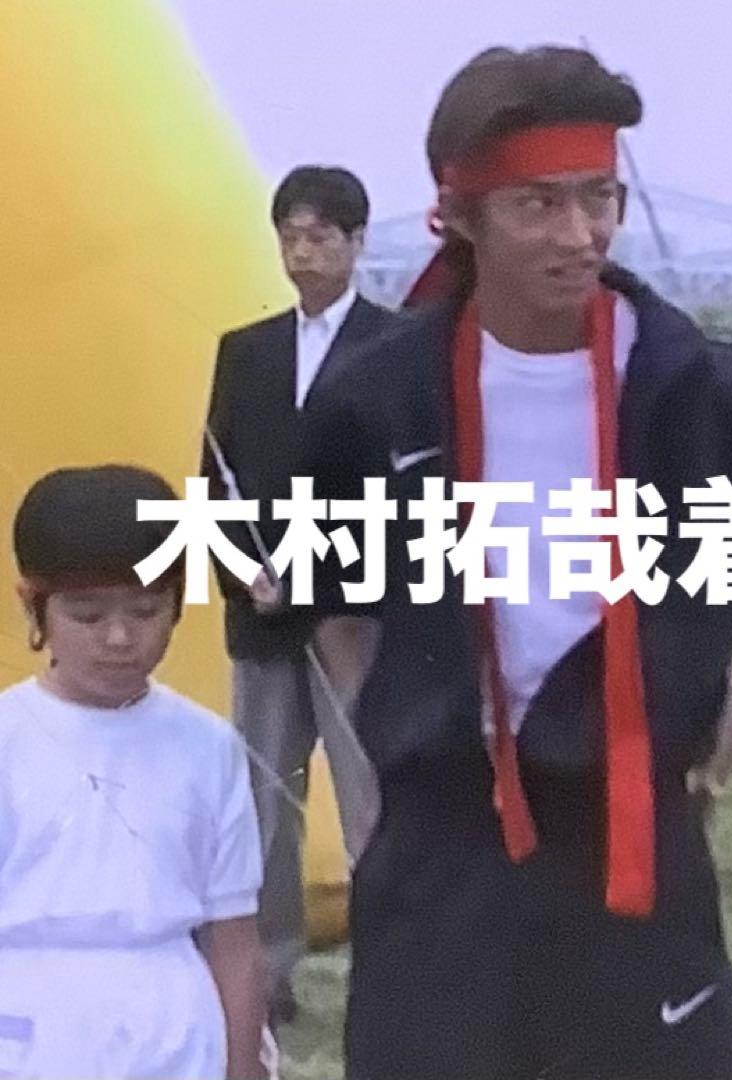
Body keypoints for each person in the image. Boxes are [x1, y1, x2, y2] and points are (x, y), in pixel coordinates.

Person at [304, 46, 732, 1080]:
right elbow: (322, 581)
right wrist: (392, 718)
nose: (578, 234)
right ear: (460, 216)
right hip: (440, 852)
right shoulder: (381, 394)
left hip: (631, 842)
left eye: (599, 197)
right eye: (538, 204)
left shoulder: (694, 386)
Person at [201, 165, 394, 1022]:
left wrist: (320, 580)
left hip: (357, 618)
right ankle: (268, 973)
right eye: (290, 236)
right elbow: (215, 480)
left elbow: (405, 494)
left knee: (373, 799)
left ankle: (392, 966)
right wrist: (244, 574)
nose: (303, 251)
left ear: (356, 242)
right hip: (263, 616)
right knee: (265, 804)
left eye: (320, 236)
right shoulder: (245, 351)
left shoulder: (398, 348)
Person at [0, 465, 265, 1078]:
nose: (120, 638)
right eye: (88, 617)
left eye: (146, 611)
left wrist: (243, 1064)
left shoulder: (207, 745)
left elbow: (235, 940)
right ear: (34, 606)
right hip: (27, 1030)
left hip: (174, 1031)